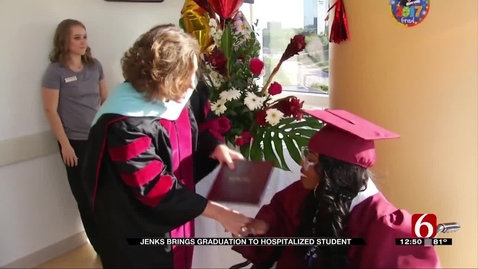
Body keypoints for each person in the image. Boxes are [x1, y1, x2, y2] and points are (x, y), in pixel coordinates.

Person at [81, 24, 252, 269]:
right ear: (161, 76)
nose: (192, 84)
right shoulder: (125, 122)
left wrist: (215, 146)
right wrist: (221, 213)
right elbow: (154, 186)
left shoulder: (178, 95)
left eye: (194, 73)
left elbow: (202, 127)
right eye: (185, 76)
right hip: (139, 228)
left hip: (178, 219)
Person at [232, 109, 441, 268]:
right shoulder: (302, 193)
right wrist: (259, 228)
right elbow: (276, 221)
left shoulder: (388, 228)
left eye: (312, 160)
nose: (302, 165)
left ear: (336, 174)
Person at [41, 19, 107, 253]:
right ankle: (100, 247)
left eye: (84, 36)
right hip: (74, 144)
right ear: (64, 41)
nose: (83, 42)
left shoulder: (94, 66)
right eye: (76, 37)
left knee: (106, 196)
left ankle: (114, 244)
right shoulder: (55, 72)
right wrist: (65, 146)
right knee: (86, 198)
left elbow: (105, 100)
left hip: (99, 138)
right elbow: (51, 110)